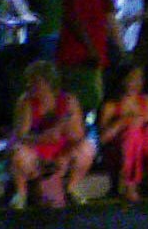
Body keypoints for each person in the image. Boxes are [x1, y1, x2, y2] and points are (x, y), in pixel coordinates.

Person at [10, 60, 96, 210]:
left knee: (87, 148)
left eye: (35, 81)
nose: (30, 85)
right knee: (18, 152)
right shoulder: (26, 102)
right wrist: (42, 138)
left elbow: (78, 136)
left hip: (61, 149)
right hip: (36, 147)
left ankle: (71, 188)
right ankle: (21, 194)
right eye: (29, 81)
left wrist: (64, 152)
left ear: (49, 82)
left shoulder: (68, 101)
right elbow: (20, 136)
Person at [57, 0, 116, 118]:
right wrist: (91, 49)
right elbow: (75, 21)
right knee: (83, 100)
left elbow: (109, 5)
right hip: (79, 55)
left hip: (92, 52)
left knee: (94, 97)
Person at [98, 64, 148, 201]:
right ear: (122, 81)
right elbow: (102, 139)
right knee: (132, 132)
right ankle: (130, 184)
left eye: (138, 79)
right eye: (131, 79)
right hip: (120, 151)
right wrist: (123, 122)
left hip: (145, 148)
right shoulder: (111, 106)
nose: (134, 83)